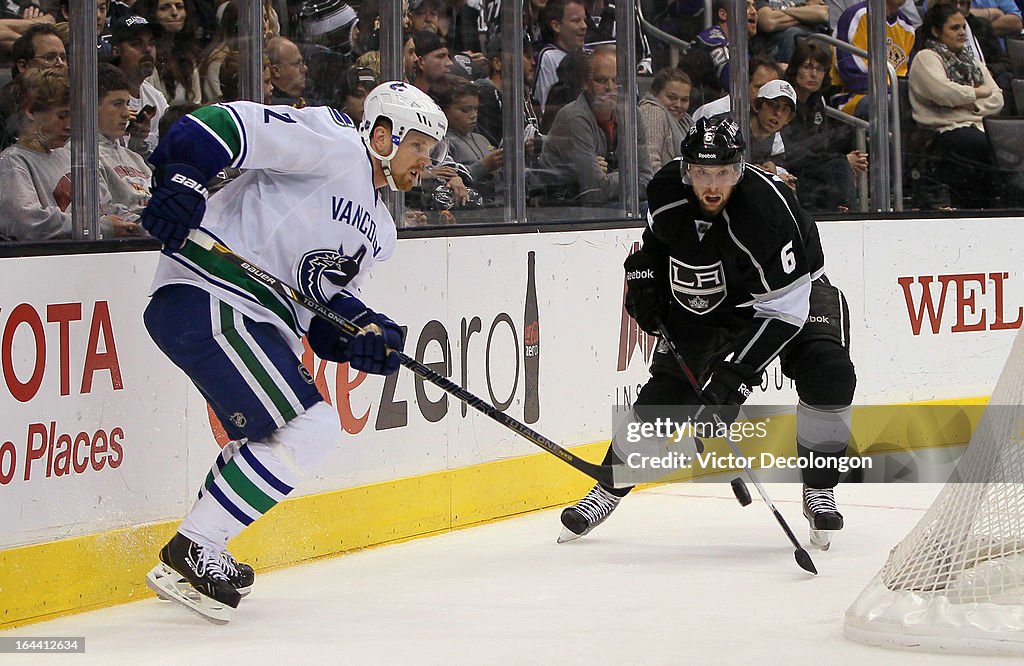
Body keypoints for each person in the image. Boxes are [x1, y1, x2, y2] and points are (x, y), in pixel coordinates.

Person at [140, 81, 449, 622]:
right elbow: (220, 125)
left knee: (274, 436)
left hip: (254, 316)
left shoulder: (380, 230)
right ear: (383, 133)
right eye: (419, 145)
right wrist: (183, 182)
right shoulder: (332, 143)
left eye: (432, 151)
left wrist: (363, 332)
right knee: (313, 427)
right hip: (211, 294)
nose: (427, 161)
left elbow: (321, 308)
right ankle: (195, 548)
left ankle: (200, 544)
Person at [558, 117, 856, 551]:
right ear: (686, 170)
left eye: (723, 173)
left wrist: (733, 378)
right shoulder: (666, 191)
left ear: (740, 169)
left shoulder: (767, 211)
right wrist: (642, 278)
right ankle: (606, 488)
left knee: (829, 372)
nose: (712, 185)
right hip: (717, 292)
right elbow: (658, 242)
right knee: (673, 388)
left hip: (795, 295)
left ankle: (819, 489)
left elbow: (784, 311)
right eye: (701, 173)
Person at [0, 68, 137, 240]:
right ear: (31, 111)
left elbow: (104, 207)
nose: (70, 125)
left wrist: (139, 224)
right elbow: (26, 222)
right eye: (62, 115)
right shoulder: (13, 163)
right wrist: (100, 227)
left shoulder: (70, 156)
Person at [908, 2, 1005, 208]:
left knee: (1007, 143)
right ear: (936, 31)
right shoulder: (926, 58)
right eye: (954, 28)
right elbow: (944, 92)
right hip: (943, 133)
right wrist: (977, 93)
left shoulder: (973, 62)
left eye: (963, 27)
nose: (962, 32)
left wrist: (971, 105)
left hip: (978, 127)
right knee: (982, 145)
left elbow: (997, 98)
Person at [539, 45, 654, 206]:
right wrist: (630, 174)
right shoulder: (573, 117)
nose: (610, 88)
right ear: (585, 83)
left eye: (616, 81)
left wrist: (609, 177)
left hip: (609, 206)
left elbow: (648, 180)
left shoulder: (632, 115)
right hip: (562, 210)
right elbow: (594, 191)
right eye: (601, 80)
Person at [782, 39, 866, 211]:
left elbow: (821, 144)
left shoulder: (817, 101)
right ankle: (850, 215)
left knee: (851, 138)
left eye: (820, 69)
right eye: (807, 67)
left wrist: (850, 158)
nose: (814, 74)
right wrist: (842, 160)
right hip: (790, 170)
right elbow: (793, 152)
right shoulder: (783, 102)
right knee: (839, 166)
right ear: (795, 69)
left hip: (813, 170)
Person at [833, 0, 916, 117]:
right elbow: (850, 73)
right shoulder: (856, 15)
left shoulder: (907, 27)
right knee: (889, 104)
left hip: (893, 95)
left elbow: (908, 75)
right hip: (853, 96)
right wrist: (892, 91)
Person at [96, 63, 151, 224]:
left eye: (127, 104)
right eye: (117, 104)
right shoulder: (81, 155)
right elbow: (105, 214)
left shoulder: (135, 158)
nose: (127, 114)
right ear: (90, 105)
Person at [0, 22, 66, 151]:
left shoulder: (71, 101)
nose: (61, 64)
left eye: (63, 57)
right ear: (23, 66)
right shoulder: (3, 109)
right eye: (50, 57)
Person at [109, 14, 168, 158]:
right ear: (116, 51)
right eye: (137, 43)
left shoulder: (156, 99)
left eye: (151, 43)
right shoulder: (103, 98)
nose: (147, 49)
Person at [533, 0, 588, 114]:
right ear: (556, 26)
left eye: (584, 20)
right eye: (576, 21)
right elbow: (545, 109)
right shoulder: (548, 57)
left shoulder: (590, 55)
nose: (584, 26)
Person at [638, 67, 694, 173]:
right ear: (655, 94)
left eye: (684, 100)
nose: (678, 105)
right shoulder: (652, 110)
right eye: (672, 98)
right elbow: (650, 164)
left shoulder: (686, 121)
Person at [748, 78, 797, 189]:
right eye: (773, 104)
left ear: (788, 119)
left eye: (785, 109)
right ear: (757, 105)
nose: (778, 113)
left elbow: (777, 168)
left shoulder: (777, 142)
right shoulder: (733, 126)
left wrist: (774, 171)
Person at [751, 0, 829, 64]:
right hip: (774, 53)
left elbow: (822, 14)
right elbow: (768, 22)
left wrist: (777, 12)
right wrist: (805, 12)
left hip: (807, 48)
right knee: (791, 34)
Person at [266, 36, 307, 106]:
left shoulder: (312, 92)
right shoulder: (270, 105)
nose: (305, 68)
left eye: (302, 63)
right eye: (297, 64)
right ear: (276, 71)